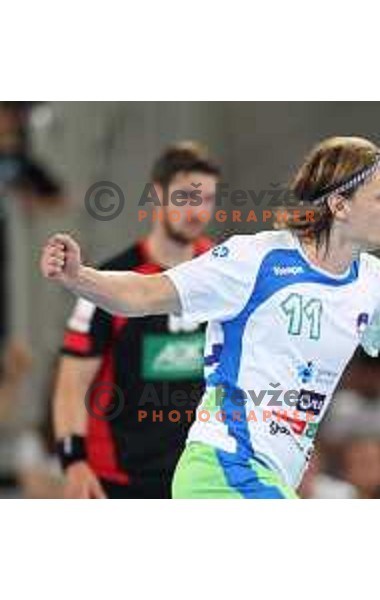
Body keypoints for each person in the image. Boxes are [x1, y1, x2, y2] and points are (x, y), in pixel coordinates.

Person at [40, 136, 380, 499]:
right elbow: (148, 292)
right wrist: (80, 277)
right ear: (341, 205)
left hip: (271, 480)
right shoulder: (259, 259)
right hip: (223, 469)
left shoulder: (370, 280)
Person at [51, 141, 220, 498]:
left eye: (206, 199)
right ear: (157, 195)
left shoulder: (225, 272)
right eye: (185, 198)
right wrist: (74, 460)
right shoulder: (109, 281)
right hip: (121, 478)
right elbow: (71, 381)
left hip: (204, 474)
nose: (196, 212)